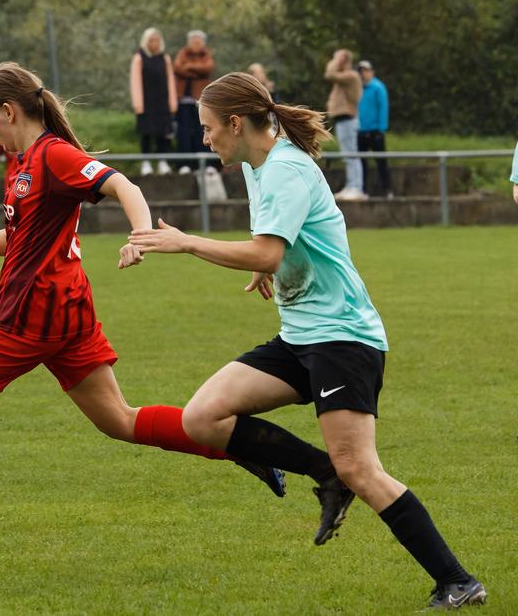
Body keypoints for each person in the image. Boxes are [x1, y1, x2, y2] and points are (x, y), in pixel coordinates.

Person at [0, 62, 285, 566]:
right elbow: (22, 236)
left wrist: (139, 236)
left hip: (29, 317)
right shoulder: (22, 163)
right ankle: (245, 448)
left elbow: (123, 186)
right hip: (68, 316)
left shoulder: (54, 156)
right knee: (119, 420)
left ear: (8, 110)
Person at [128, 72, 486, 610]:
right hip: (301, 336)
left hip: (342, 337)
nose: (204, 141)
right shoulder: (255, 165)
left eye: (207, 130)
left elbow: (267, 251)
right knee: (203, 417)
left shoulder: (287, 169)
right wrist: (271, 267)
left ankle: (458, 581)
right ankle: (323, 474)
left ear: (235, 123)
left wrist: (187, 243)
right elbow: (276, 249)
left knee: (361, 468)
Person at [129, 27, 176, 176]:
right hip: (146, 104)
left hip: (162, 102)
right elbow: (135, 81)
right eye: (152, 40)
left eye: (157, 40)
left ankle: (163, 162)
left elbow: (170, 81)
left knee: (163, 133)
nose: (155, 43)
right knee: (146, 134)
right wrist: (138, 104)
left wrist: (172, 102)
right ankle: (146, 163)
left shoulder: (165, 58)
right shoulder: (139, 58)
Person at [324, 49, 365, 201]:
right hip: (343, 120)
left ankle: (356, 187)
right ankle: (351, 186)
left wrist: (337, 59)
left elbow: (329, 74)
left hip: (348, 119)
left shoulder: (350, 75)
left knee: (351, 154)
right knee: (347, 155)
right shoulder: (345, 77)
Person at [172, 29, 215, 171]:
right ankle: (184, 164)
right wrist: (197, 72)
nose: (196, 45)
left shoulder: (206, 55)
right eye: (193, 42)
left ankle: (205, 164)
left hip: (200, 100)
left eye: (198, 42)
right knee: (183, 132)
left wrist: (189, 66)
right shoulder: (183, 53)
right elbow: (178, 68)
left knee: (201, 131)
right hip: (184, 100)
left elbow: (208, 68)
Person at [357, 60, 392, 198]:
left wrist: (381, 128)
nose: (363, 73)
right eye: (361, 71)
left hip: (375, 130)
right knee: (361, 163)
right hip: (360, 130)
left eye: (365, 70)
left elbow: (383, 108)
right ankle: (363, 190)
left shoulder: (378, 87)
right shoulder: (357, 87)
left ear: (372, 72)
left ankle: (387, 189)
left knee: (381, 161)